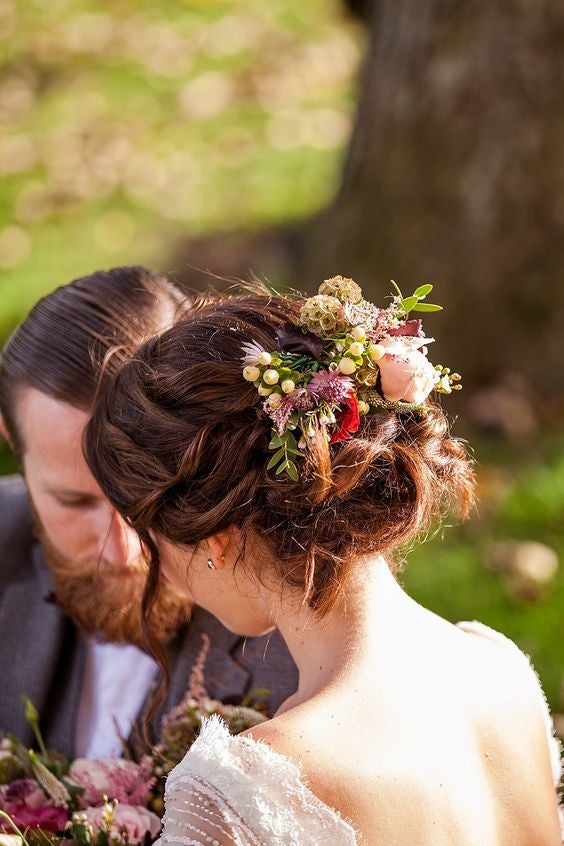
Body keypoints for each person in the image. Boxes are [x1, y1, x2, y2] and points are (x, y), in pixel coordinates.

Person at [84, 277, 562, 845]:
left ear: (215, 538)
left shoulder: (244, 789)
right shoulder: (501, 672)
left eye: (149, 537)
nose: (153, 566)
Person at [0, 266, 298, 760]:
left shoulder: (300, 638)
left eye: (147, 496)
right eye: (75, 502)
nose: (123, 549)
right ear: (13, 443)